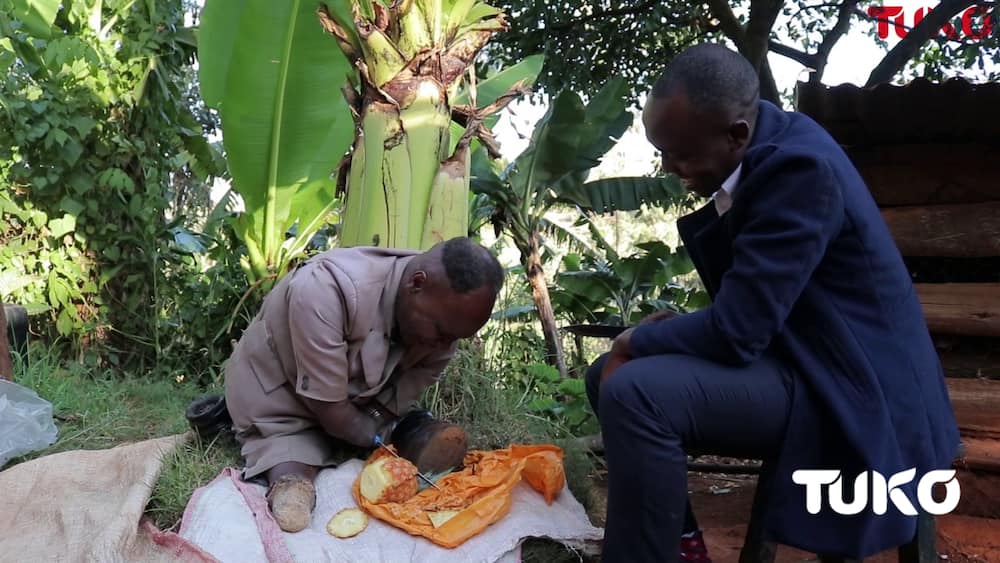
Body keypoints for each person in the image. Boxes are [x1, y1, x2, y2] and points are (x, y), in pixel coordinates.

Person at [584, 44, 960, 562]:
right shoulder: (777, 147)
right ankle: (680, 544)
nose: (670, 167)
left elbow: (738, 333)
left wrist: (639, 337)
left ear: (736, 134)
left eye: (682, 154)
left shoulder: (798, 172)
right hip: (807, 358)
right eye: (662, 152)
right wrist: (657, 339)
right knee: (604, 374)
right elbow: (755, 309)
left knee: (636, 391)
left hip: (854, 388)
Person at [224, 236, 504, 532]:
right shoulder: (326, 289)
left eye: (455, 337)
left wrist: (380, 421)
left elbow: (392, 401)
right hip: (278, 392)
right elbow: (332, 412)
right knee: (291, 448)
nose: (446, 345)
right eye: (440, 331)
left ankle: (403, 433)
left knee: (380, 430)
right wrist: (369, 434)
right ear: (416, 284)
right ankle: (291, 481)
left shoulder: (444, 329)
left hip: (357, 400)